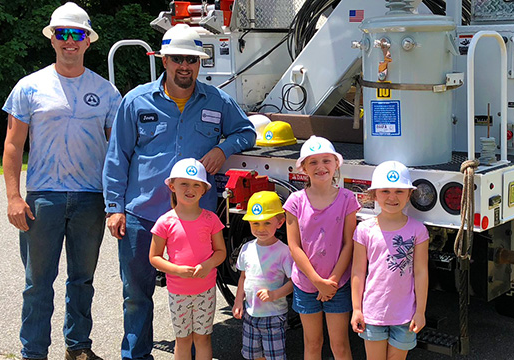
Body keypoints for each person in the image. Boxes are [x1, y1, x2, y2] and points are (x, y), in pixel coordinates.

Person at [103, 23, 255, 360]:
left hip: (195, 219)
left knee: (196, 289)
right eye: (176, 59)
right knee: (136, 293)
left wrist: (224, 148)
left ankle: (195, 349)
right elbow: (117, 157)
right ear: (163, 60)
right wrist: (114, 207)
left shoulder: (217, 100)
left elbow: (247, 132)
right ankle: (136, 355)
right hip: (143, 213)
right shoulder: (136, 101)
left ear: (200, 63)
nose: (184, 66)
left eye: (191, 59)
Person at [1, 2, 120, 360]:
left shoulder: (107, 92)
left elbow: (116, 152)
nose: (70, 41)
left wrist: (115, 202)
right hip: (43, 199)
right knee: (38, 283)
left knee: (82, 281)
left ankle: (78, 347)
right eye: (63, 34)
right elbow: (12, 144)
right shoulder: (29, 87)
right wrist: (13, 197)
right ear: (52, 39)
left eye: (77, 34)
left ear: (88, 41)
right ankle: (33, 352)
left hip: (90, 198)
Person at [283, 136, 359, 360]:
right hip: (306, 284)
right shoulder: (295, 201)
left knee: (340, 345)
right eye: (313, 162)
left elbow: (349, 244)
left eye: (326, 160)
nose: (320, 167)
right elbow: (294, 245)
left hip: (338, 284)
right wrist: (317, 281)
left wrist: (332, 282)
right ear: (304, 168)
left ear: (336, 164)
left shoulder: (347, 199)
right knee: (312, 343)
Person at [149, 158, 226, 360]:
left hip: (205, 291)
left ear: (203, 190)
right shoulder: (165, 221)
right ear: (172, 186)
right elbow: (154, 257)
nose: (189, 189)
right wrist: (177, 270)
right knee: (182, 340)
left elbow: (221, 252)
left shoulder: (211, 219)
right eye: (184, 183)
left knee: (203, 339)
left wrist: (208, 264)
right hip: (178, 292)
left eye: (196, 184)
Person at [351, 161, 429, 359]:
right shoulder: (364, 230)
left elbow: (421, 272)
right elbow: (358, 272)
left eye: (399, 191)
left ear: (409, 195)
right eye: (385, 191)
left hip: (405, 315)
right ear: (374, 194)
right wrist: (357, 309)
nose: (392, 197)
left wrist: (420, 312)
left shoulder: (418, 230)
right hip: (373, 313)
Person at [231, 191, 295, 360]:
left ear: (280, 222)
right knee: (254, 355)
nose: (261, 229)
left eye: (267, 223)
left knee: (274, 356)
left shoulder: (283, 252)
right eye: (256, 224)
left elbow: (293, 282)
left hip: (274, 315)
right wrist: (238, 301)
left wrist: (275, 294)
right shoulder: (247, 248)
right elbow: (243, 278)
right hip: (250, 314)